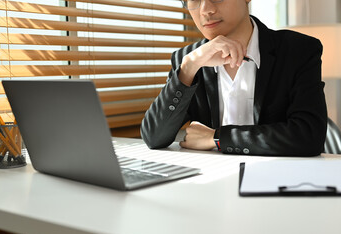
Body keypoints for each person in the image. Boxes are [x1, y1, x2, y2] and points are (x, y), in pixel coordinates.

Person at [140, 0, 327, 156]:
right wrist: (189, 67)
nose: (205, 9)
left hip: (276, 182)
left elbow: (309, 136)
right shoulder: (188, 60)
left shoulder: (298, 50)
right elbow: (154, 137)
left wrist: (217, 138)